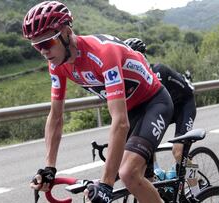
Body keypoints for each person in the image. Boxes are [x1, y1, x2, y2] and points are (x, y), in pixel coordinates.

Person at [24, 1, 173, 202]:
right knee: (127, 174)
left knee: (128, 173)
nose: (43, 52)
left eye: (46, 43)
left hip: (154, 103)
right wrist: (49, 168)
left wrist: (105, 185)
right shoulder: (56, 66)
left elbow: (120, 122)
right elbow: (56, 117)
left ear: (67, 33)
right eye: (36, 46)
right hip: (130, 111)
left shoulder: (103, 53)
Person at [124, 37, 198, 194]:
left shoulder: (159, 71)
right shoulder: (133, 81)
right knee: (143, 148)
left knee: (178, 152)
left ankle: (197, 188)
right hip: (165, 110)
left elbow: (185, 92)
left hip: (183, 106)